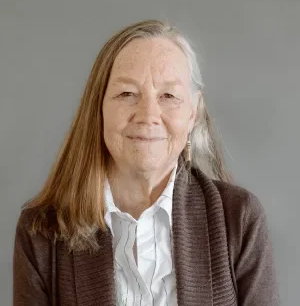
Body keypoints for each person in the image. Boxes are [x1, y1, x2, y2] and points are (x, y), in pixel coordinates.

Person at [13, 19, 280, 306]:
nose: (148, 115)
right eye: (127, 94)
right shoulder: (40, 231)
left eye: (168, 96)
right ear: (98, 107)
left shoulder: (239, 218)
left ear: (193, 113)